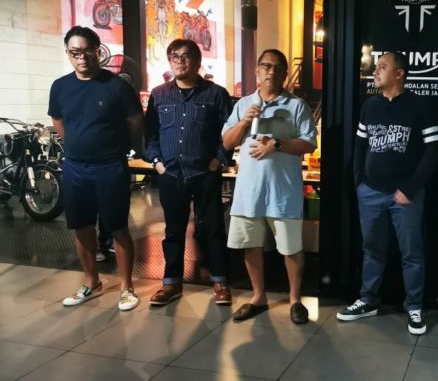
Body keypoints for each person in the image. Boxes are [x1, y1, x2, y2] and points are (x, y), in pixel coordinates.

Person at [336, 52, 438, 335]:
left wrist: (410, 187)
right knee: (372, 249)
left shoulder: (419, 105)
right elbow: (360, 147)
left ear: (399, 74)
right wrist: (359, 184)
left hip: (406, 195)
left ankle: (414, 306)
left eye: (382, 67)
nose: (375, 71)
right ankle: (368, 300)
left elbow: (433, 149)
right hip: (370, 192)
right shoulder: (370, 106)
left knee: (412, 253)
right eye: (376, 67)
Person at [48, 26, 142, 311]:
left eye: (87, 51)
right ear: (68, 53)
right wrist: (78, 145)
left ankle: (126, 286)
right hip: (75, 167)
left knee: (118, 227)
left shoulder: (116, 86)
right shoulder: (60, 86)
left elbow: (135, 122)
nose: (82, 57)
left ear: (98, 50)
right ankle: (92, 282)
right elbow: (58, 122)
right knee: (81, 227)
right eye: (75, 52)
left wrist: (118, 148)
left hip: (110, 166)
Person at [223, 49, 317, 324]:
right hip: (249, 191)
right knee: (250, 245)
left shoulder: (297, 106)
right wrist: (244, 121)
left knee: (291, 247)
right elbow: (228, 142)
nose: (271, 71)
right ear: (257, 70)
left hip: (283, 191)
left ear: (285, 73)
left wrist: (276, 144)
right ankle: (258, 296)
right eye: (266, 66)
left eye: (277, 67)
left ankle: (295, 299)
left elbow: (309, 143)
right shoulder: (243, 104)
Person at [145, 39, 233, 306]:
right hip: (171, 175)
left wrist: (219, 159)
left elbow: (230, 132)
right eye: (175, 56)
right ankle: (171, 283)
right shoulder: (159, 94)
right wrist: (157, 163)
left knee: (213, 228)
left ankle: (220, 281)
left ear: (197, 60)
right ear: (169, 61)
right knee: (173, 231)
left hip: (205, 173)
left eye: (186, 56)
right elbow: (150, 134)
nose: (180, 61)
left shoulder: (216, 94)